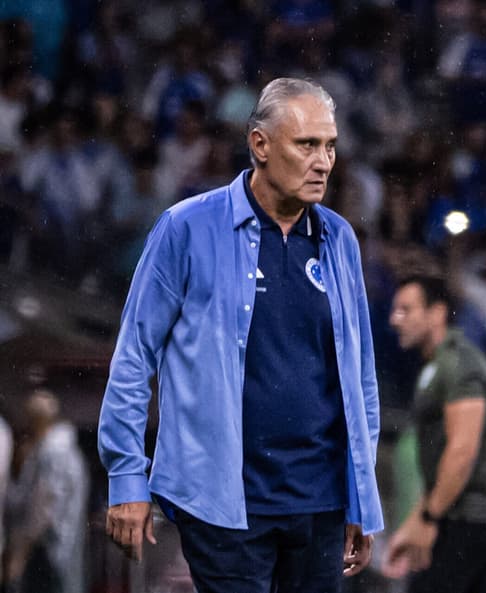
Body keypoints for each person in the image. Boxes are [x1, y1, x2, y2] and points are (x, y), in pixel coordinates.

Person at [98, 77, 382, 593]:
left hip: (319, 502)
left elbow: (360, 376)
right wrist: (126, 475)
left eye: (330, 146)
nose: (323, 161)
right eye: (307, 144)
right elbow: (135, 357)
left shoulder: (340, 240)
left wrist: (363, 496)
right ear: (260, 145)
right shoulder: (185, 228)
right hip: (221, 502)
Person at [383, 274, 486, 593]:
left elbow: (461, 452)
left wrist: (428, 519)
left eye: (406, 309)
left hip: (465, 523)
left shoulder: (459, 364)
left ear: (437, 313)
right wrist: (417, 521)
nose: (394, 319)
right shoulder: (437, 365)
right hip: (463, 519)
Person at [5, 389, 89, 593]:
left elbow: (43, 508)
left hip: (50, 550)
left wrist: (21, 553)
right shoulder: (65, 451)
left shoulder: (52, 452)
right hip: (61, 548)